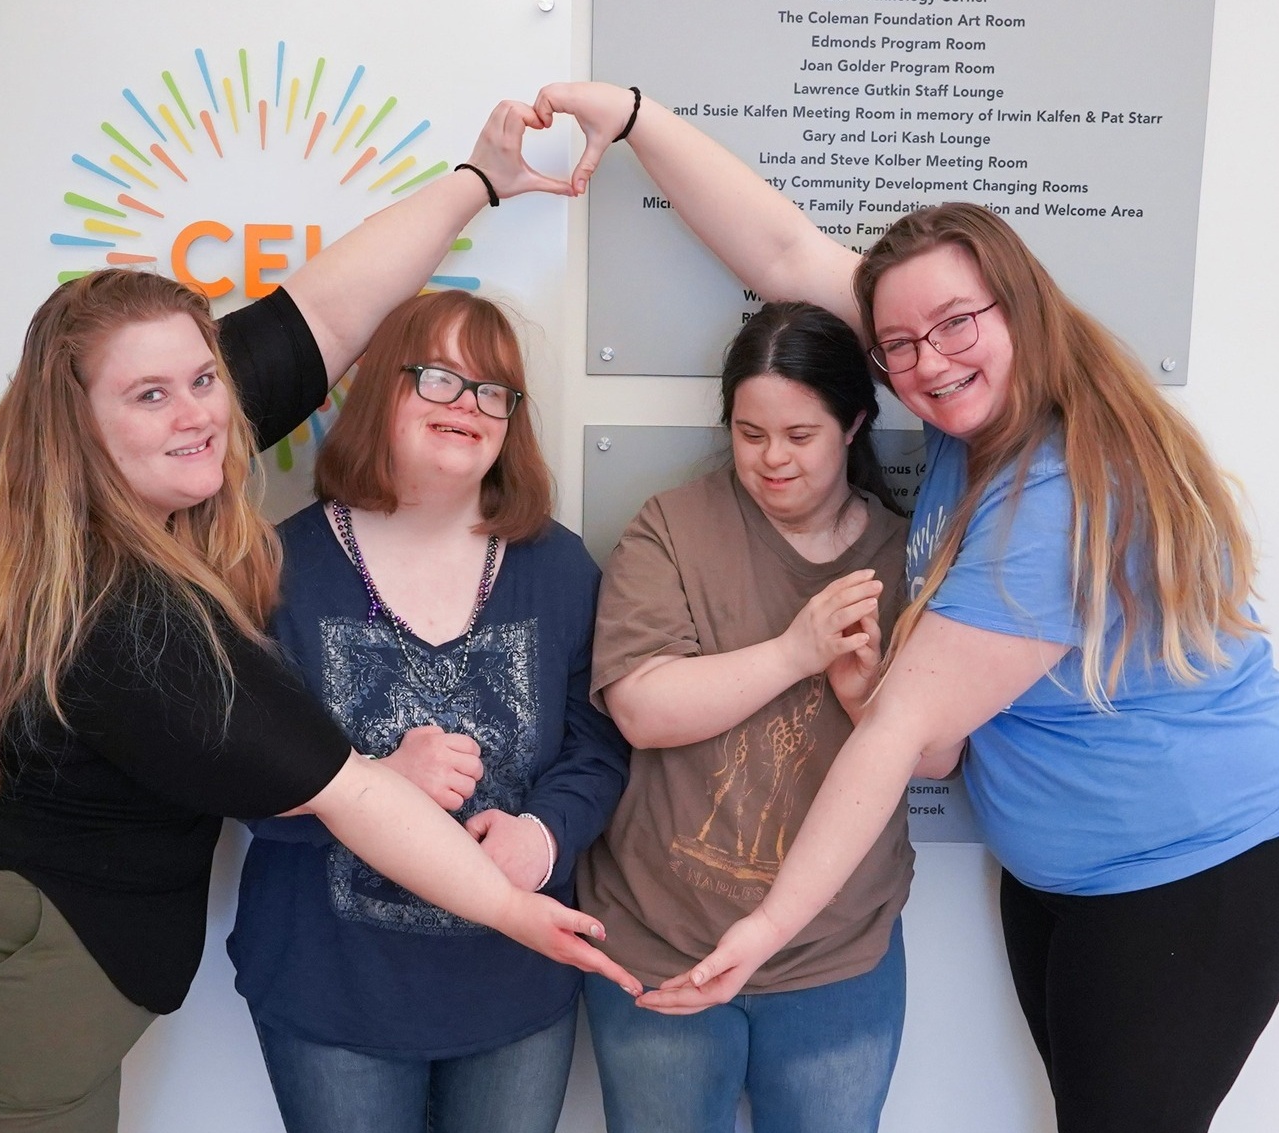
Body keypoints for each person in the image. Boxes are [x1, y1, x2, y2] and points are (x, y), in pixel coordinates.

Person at [0, 101, 641, 1133]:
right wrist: (522, 911)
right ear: (80, 420)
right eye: (152, 395)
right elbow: (346, 790)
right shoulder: (121, 603)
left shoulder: (152, 448)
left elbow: (323, 313)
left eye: (203, 377)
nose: (201, 411)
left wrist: (476, 178)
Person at [535, 81, 1279, 1133]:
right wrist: (636, 117)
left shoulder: (1058, 488)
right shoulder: (972, 422)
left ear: (1018, 307)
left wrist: (766, 927)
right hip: (1064, 867)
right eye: (901, 344)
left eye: (955, 325)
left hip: (1180, 869)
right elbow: (786, 254)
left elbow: (899, 734)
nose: (928, 359)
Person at [227, 288, 629, 1133]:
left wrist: (546, 833)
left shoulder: (557, 567)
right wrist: (371, 782)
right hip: (333, 992)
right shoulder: (273, 569)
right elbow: (233, 771)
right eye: (439, 379)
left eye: (493, 391)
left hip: (516, 986)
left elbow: (599, 744)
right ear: (380, 390)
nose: (468, 407)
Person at [579, 301, 914, 1133]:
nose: (771, 460)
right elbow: (641, 707)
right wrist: (795, 651)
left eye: (799, 436)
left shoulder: (905, 556)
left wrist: (863, 700)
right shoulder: (671, 527)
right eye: (748, 432)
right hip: (659, 938)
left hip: (834, 953)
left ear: (855, 424)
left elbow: (940, 755)